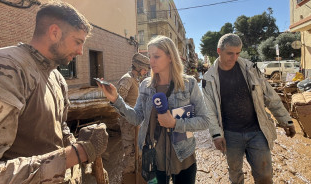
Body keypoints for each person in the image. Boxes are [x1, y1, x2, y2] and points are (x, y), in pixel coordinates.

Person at [0, 0, 108, 183]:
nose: (81, 52)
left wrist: (77, 144)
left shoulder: (56, 77)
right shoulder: (2, 71)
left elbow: (59, 126)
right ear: (55, 32)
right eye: (77, 42)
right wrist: (79, 153)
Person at [97, 36, 211, 184]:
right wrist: (116, 100)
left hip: (184, 157)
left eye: (156, 56)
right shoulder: (145, 85)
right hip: (154, 161)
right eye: (150, 56)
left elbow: (205, 120)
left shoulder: (189, 84)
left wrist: (175, 123)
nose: (151, 62)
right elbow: (137, 118)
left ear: (170, 57)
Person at [202, 33, 296, 184]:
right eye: (230, 53)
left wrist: (286, 120)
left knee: (265, 175)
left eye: (237, 53)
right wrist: (216, 135)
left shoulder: (250, 68)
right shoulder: (209, 79)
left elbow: (269, 96)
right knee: (235, 174)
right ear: (219, 51)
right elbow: (210, 110)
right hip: (230, 135)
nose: (234, 57)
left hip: (257, 131)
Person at [116, 52, 150, 182]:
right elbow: (117, 102)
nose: (146, 71)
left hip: (136, 122)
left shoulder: (135, 79)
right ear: (138, 67)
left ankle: (138, 177)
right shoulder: (127, 79)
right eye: (145, 68)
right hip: (128, 123)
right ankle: (128, 179)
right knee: (130, 154)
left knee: (138, 152)